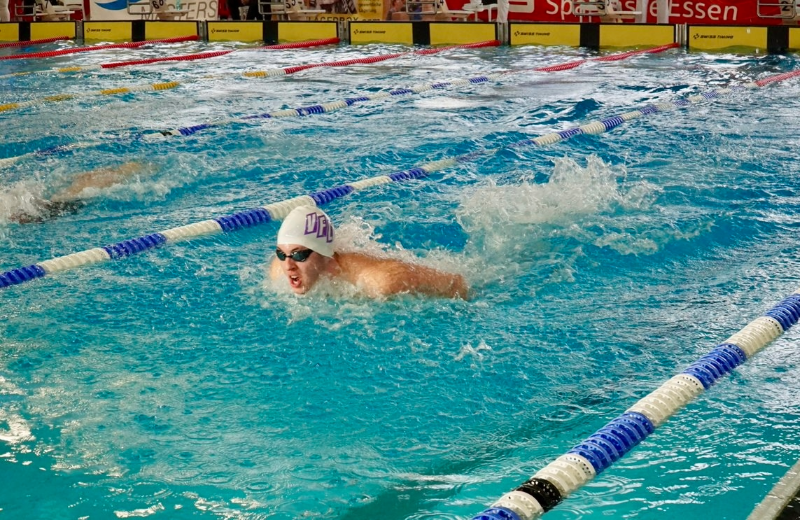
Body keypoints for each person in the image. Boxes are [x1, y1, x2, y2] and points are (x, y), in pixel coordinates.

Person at [269, 205, 469, 299]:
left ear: (324, 256)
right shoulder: (279, 271)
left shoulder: (383, 281)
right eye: (281, 254)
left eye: (299, 255)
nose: (288, 265)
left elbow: (457, 284)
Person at [9, 162, 150, 224]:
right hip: (72, 200)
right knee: (60, 202)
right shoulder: (109, 178)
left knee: (57, 202)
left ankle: (28, 212)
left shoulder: (99, 177)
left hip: (69, 199)